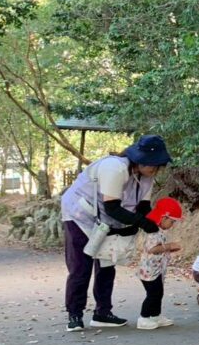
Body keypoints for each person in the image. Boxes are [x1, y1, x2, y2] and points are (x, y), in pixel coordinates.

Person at [60, 134, 172, 332]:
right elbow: (112, 207)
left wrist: (155, 223)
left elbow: (143, 208)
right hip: (80, 214)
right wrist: (142, 223)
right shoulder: (115, 167)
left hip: (106, 220)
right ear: (139, 159)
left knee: (107, 263)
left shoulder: (146, 177)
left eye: (158, 165)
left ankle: (102, 313)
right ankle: (75, 314)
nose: (155, 169)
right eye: (152, 164)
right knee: (81, 266)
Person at [135, 197, 183, 330]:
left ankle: (155, 315)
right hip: (149, 270)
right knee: (153, 294)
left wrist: (169, 249)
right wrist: (169, 246)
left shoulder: (159, 231)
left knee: (158, 293)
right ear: (164, 217)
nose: (172, 225)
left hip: (156, 270)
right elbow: (152, 249)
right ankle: (143, 318)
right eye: (172, 221)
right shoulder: (153, 231)